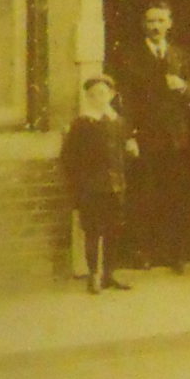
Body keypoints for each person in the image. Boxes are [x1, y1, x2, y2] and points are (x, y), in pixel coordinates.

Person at [110, 1, 190, 269]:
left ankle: (173, 253)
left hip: (175, 138)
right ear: (143, 25)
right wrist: (129, 135)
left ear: (170, 24)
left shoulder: (180, 56)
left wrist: (183, 87)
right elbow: (123, 101)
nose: (156, 26)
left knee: (174, 194)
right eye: (151, 21)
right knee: (143, 196)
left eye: (161, 21)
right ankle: (143, 252)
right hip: (145, 137)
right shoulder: (129, 57)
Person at [60, 75, 138, 293]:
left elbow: (125, 152)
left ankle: (109, 274)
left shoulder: (118, 122)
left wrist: (130, 150)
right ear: (87, 98)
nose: (98, 98)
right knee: (93, 232)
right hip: (91, 188)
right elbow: (68, 158)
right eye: (93, 95)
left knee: (113, 231)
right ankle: (93, 275)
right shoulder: (82, 124)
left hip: (115, 186)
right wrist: (78, 186)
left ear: (111, 95)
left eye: (102, 93)